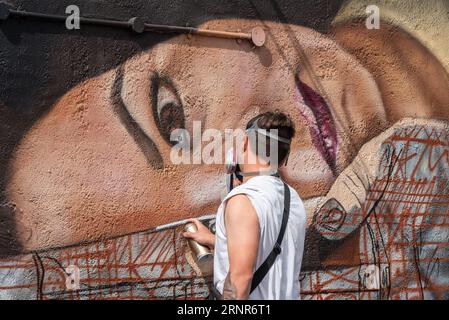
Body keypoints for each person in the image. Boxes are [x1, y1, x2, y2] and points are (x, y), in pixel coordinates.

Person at [183, 111, 307, 300]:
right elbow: (264, 248)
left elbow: (240, 279)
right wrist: (218, 241)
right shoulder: (293, 198)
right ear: (285, 157)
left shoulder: (243, 200)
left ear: (246, 143)